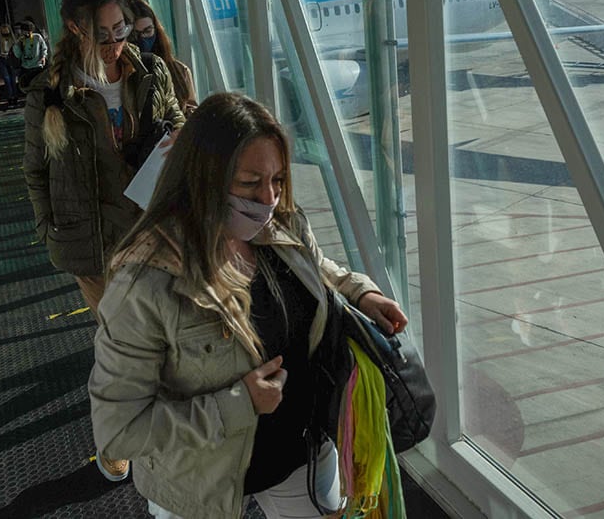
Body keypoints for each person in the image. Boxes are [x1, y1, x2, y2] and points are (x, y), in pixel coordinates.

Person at [89, 92, 408, 517]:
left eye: (277, 180)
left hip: (299, 453)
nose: (269, 198)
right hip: (200, 480)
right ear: (203, 176)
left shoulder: (279, 225)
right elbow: (119, 430)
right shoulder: (145, 283)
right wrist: (239, 404)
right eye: (250, 182)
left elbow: (312, 265)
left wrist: (359, 293)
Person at [23, 0, 185, 376]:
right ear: (76, 28)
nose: (116, 43)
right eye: (104, 34)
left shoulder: (150, 71)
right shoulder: (48, 94)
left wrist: (180, 135)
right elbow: (35, 171)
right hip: (92, 244)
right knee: (124, 344)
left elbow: (176, 118)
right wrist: (50, 229)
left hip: (151, 231)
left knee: (168, 336)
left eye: (121, 29)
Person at [125, 0, 198, 116]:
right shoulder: (118, 74)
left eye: (147, 31)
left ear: (156, 30)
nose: (142, 39)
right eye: (134, 34)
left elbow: (190, 111)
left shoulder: (179, 71)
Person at [13, 20, 49, 92]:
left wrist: (43, 57)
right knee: (27, 86)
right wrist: (17, 44)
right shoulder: (21, 40)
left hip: (37, 65)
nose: (27, 33)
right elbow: (18, 55)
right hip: (26, 66)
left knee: (39, 84)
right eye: (25, 31)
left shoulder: (37, 37)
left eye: (29, 31)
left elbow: (44, 48)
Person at [0, 23, 18, 105]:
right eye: (3, 31)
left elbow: (18, 48)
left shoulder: (13, 39)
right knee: (7, 79)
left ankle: (15, 96)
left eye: (6, 31)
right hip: (2, 59)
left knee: (13, 79)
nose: (5, 33)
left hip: (11, 59)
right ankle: (10, 97)